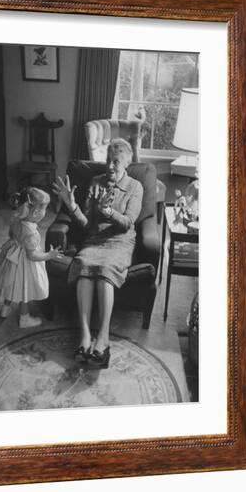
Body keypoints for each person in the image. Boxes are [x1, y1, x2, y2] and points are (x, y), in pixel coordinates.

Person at [52, 138, 143, 368]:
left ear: (126, 165)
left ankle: (103, 338)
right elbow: (85, 223)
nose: (110, 167)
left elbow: (128, 223)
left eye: (116, 162)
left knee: (104, 271)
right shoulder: (95, 181)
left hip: (119, 243)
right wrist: (71, 205)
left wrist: (109, 211)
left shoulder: (135, 187)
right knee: (83, 266)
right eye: (108, 161)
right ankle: (84, 335)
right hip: (94, 240)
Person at [0, 187, 62, 328]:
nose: (45, 212)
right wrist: (49, 255)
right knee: (24, 289)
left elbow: (12, 235)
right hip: (24, 264)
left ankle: (5, 309)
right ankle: (25, 318)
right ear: (36, 212)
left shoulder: (16, 220)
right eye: (44, 209)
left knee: (11, 284)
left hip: (12, 257)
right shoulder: (32, 233)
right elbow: (32, 255)